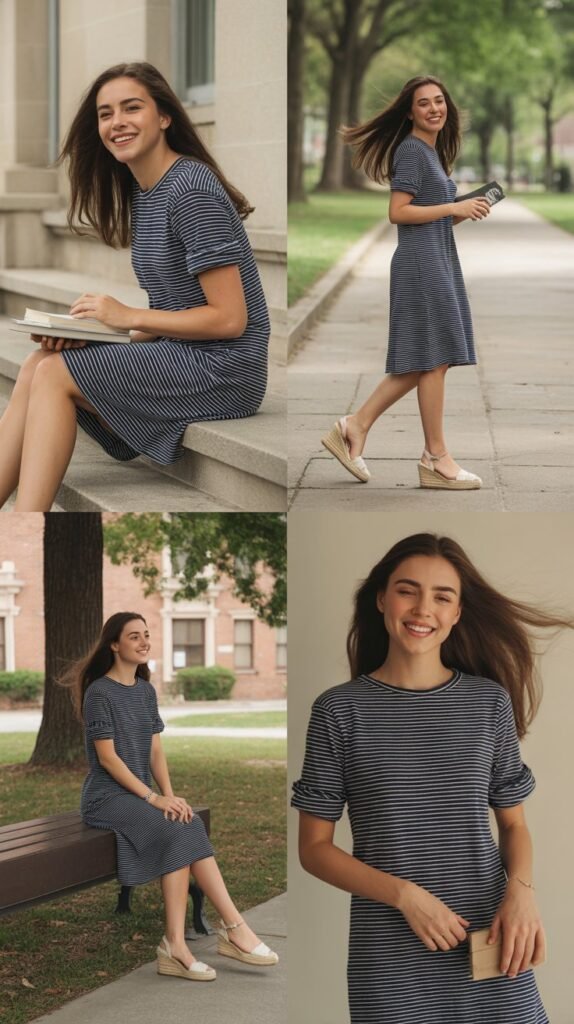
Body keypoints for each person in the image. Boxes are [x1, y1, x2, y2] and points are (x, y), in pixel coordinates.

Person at [292, 533, 572, 1023]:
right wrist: (405, 896)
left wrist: (522, 893)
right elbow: (314, 848)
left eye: (442, 596)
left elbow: (513, 825)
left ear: (457, 612)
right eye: (408, 590)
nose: (423, 609)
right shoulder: (339, 711)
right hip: (390, 955)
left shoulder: (489, 703)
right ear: (382, 599)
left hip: (491, 937)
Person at [0, 61, 269, 512]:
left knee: (54, 373)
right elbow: (175, 311)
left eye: (131, 108)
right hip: (184, 352)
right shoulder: (146, 192)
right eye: (105, 114)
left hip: (227, 368)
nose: (117, 122)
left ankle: (27, 525)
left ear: (164, 116)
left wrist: (126, 316)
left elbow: (229, 319)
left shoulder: (190, 190)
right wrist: (96, 334)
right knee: (37, 363)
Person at [64, 612, 278, 980]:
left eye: (146, 634)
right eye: (134, 636)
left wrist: (171, 797)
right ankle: (231, 929)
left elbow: (156, 751)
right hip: (106, 798)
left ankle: (178, 944)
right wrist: (154, 799)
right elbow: (108, 759)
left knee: (184, 823)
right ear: (114, 644)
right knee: (177, 829)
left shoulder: (145, 691)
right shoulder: (100, 692)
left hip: (138, 797)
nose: (144, 641)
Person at [321, 76, 491, 490]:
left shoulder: (429, 152)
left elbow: (429, 217)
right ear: (411, 112)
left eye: (439, 101)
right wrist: (452, 206)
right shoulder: (412, 151)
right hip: (421, 265)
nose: (434, 108)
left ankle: (356, 426)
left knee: (428, 359)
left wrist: (462, 211)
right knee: (433, 358)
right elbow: (398, 212)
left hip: (435, 258)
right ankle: (435, 457)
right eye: (424, 103)